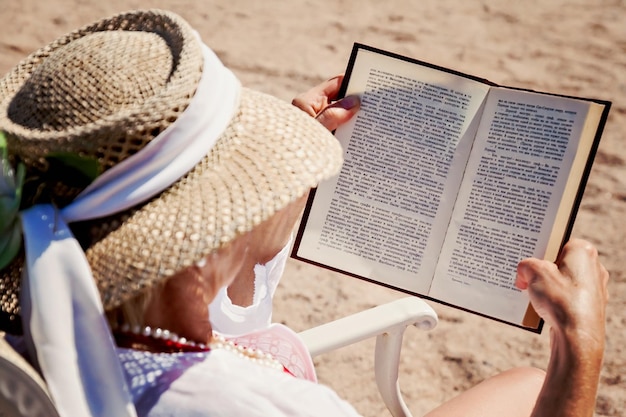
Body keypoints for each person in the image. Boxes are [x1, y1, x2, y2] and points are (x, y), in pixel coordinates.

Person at [0, 9, 608, 417]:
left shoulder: (60, 313)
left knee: (524, 387)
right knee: (542, 382)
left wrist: (271, 192)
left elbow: (210, 303)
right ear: (202, 244)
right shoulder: (268, 405)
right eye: (251, 177)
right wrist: (580, 351)